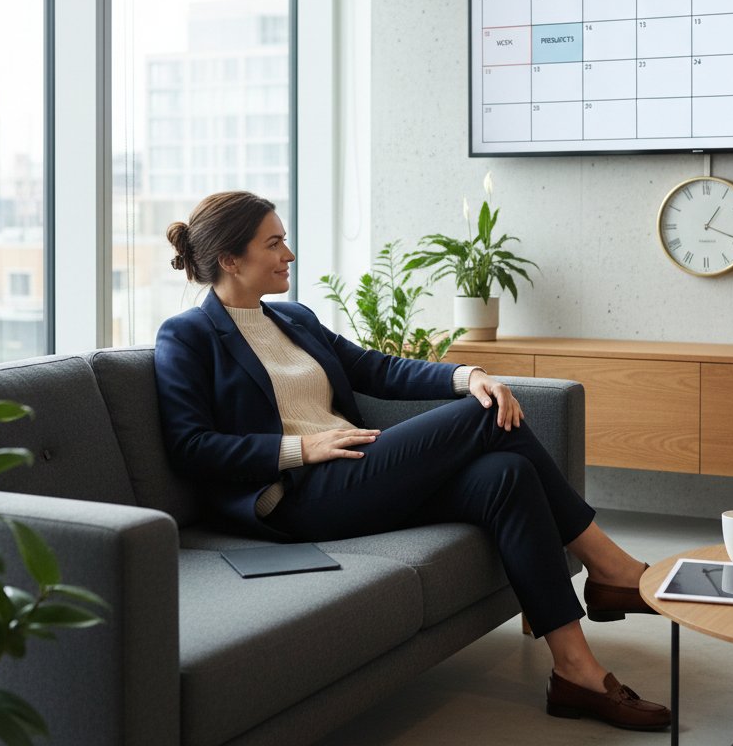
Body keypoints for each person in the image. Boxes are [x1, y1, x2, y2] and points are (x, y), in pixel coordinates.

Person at [154, 190, 670, 731]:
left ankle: (575, 670)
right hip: (299, 496)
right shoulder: (186, 336)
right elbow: (190, 446)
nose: (290, 254)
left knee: (507, 474)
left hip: (354, 470)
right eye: (275, 243)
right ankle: (610, 567)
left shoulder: (293, 318)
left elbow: (374, 369)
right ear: (231, 260)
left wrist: (465, 374)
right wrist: (300, 449)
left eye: (285, 240)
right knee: (482, 416)